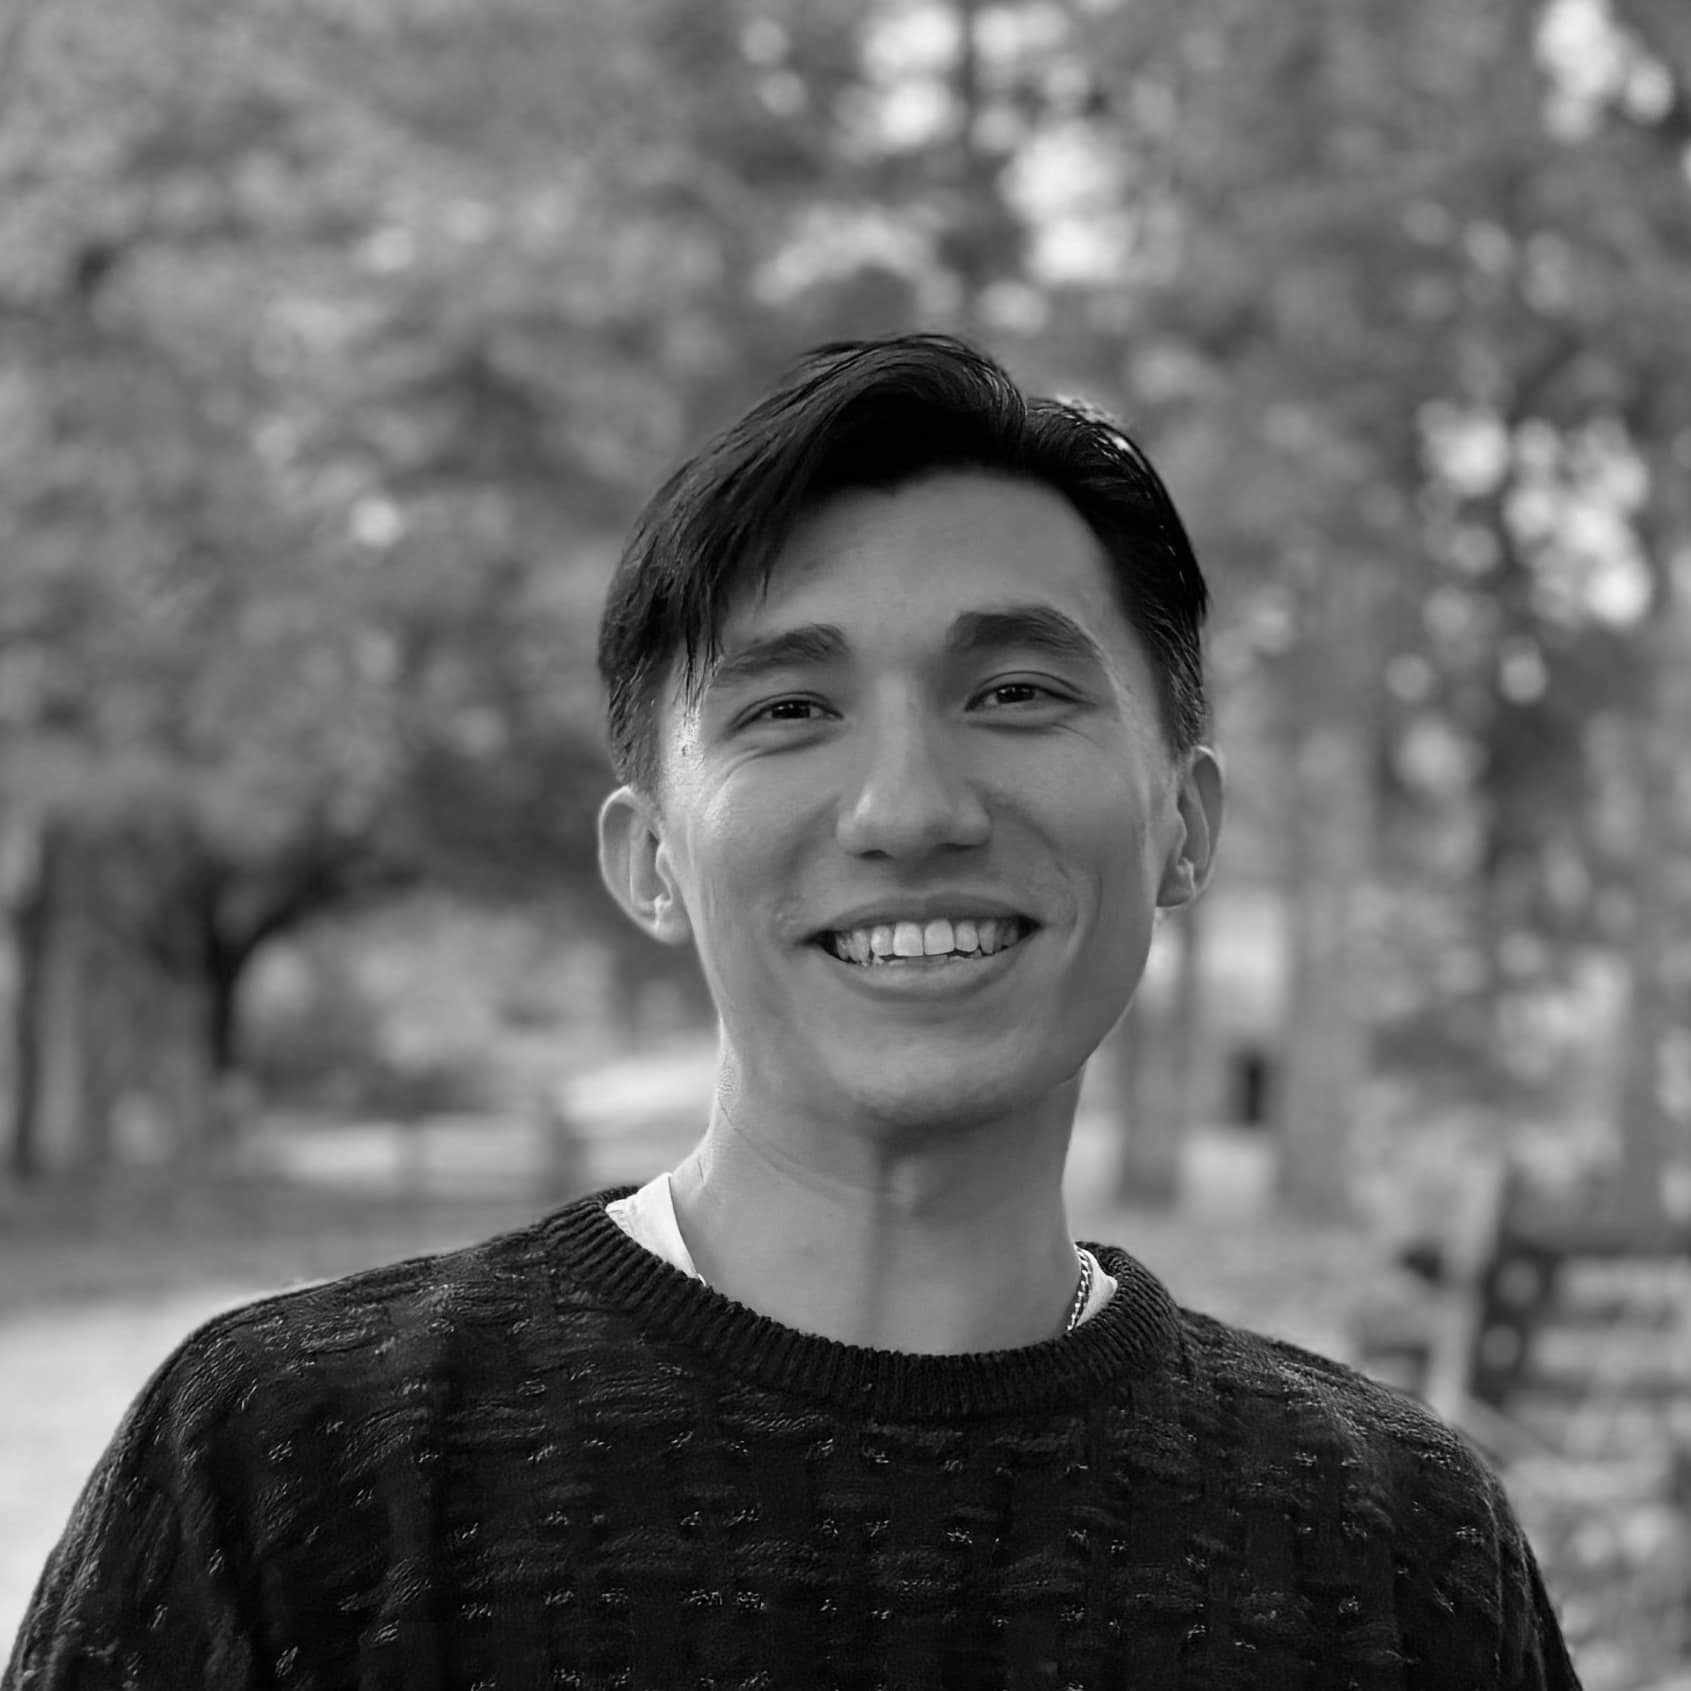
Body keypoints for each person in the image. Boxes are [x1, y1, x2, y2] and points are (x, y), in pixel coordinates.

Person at [5, 334, 1581, 1689]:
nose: (907, 804)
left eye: (1016, 690)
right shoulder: (295, 1465)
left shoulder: (1390, 1543)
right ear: (650, 859)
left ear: (1184, 822)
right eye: (788, 710)